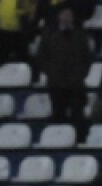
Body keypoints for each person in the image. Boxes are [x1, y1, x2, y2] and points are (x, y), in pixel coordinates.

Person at [36, 7, 93, 140]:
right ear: (59, 17)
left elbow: (88, 57)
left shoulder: (80, 35)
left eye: (69, 15)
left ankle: (80, 141)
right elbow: (41, 57)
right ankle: (58, 141)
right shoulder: (49, 35)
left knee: (77, 114)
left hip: (76, 84)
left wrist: (81, 73)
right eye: (64, 15)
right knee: (58, 114)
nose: (67, 18)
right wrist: (51, 71)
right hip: (56, 83)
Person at [0, 0, 34, 67]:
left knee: (23, 62)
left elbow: (30, 6)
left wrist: (27, 21)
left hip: (19, 31)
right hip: (1, 31)